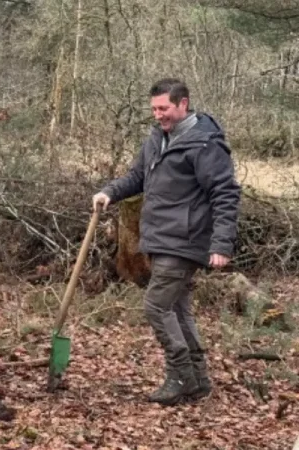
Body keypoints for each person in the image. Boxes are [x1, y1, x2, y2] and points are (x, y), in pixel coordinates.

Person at [93, 78, 241, 406]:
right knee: (178, 308)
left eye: (164, 108)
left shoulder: (205, 144)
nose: (158, 115)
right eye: (154, 109)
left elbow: (225, 192)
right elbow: (137, 177)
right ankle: (198, 380)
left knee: (156, 306)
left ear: (183, 104)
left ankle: (180, 375)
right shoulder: (157, 138)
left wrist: (221, 244)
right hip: (160, 239)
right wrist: (110, 192)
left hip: (185, 240)